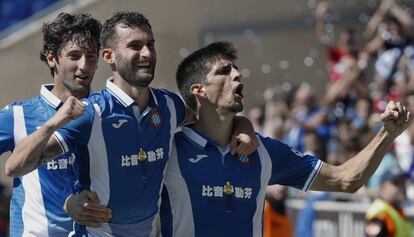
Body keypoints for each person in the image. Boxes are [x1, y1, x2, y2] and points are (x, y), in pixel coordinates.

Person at [6, 12, 256, 236]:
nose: (146, 53)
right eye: (135, 46)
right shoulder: (91, 112)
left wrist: (245, 125)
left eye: (150, 45)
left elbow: (212, 116)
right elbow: (15, 167)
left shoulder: (170, 105)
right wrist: (54, 123)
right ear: (109, 56)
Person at [159, 41, 411, 237]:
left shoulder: (263, 152)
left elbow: (346, 180)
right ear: (199, 90)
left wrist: (387, 134)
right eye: (224, 71)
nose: (237, 75)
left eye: (236, 69)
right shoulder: (167, 150)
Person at [0, 13, 110, 237]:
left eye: (91, 56)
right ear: (52, 58)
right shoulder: (18, 115)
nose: (84, 65)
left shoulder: (107, 113)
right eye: (74, 56)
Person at [365, 167, 413, 237]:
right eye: (396, 184)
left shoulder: (393, 209)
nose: (401, 188)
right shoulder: (381, 211)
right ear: (383, 187)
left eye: (402, 183)